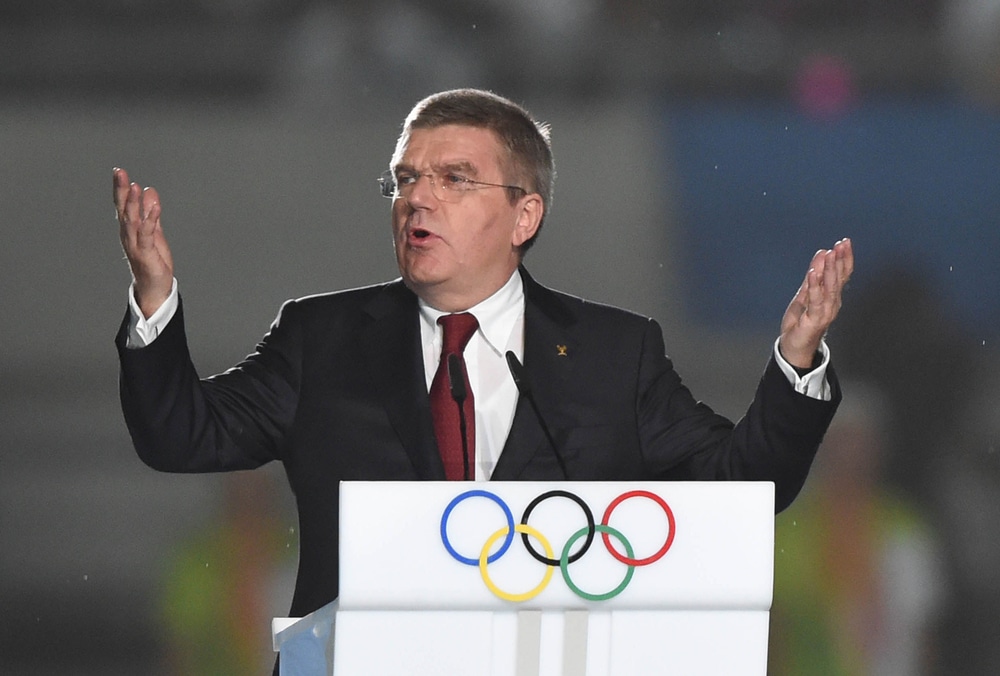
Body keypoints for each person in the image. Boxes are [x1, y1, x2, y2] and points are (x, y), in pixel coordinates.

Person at [114, 89, 852, 628]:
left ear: (524, 215)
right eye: (405, 179)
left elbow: (739, 489)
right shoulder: (322, 340)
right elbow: (180, 434)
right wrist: (155, 297)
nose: (416, 200)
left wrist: (796, 362)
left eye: (452, 179)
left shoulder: (613, 354)